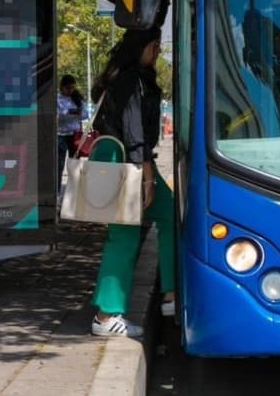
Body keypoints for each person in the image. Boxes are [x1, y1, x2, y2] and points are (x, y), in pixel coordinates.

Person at [87, 27, 176, 337]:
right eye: (154, 46)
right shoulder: (130, 80)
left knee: (170, 215)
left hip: (126, 159)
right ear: (140, 48)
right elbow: (134, 130)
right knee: (124, 236)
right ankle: (105, 316)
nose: (157, 52)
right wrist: (147, 175)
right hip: (124, 161)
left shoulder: (129, 78)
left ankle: (171, 294)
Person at [56, 74, 83, 194]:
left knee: (75, 164)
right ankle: (57, 192)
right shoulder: (57, 98)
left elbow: (86, 114)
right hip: (60, 135)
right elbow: (60, 115)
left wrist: (77, 112)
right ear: (61, 87)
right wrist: (71, 113)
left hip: (75, 135)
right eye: (68, 88)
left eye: (72, 88)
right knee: (59, 165)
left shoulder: (77, 98)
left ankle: (74, 191)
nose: (70, 91)